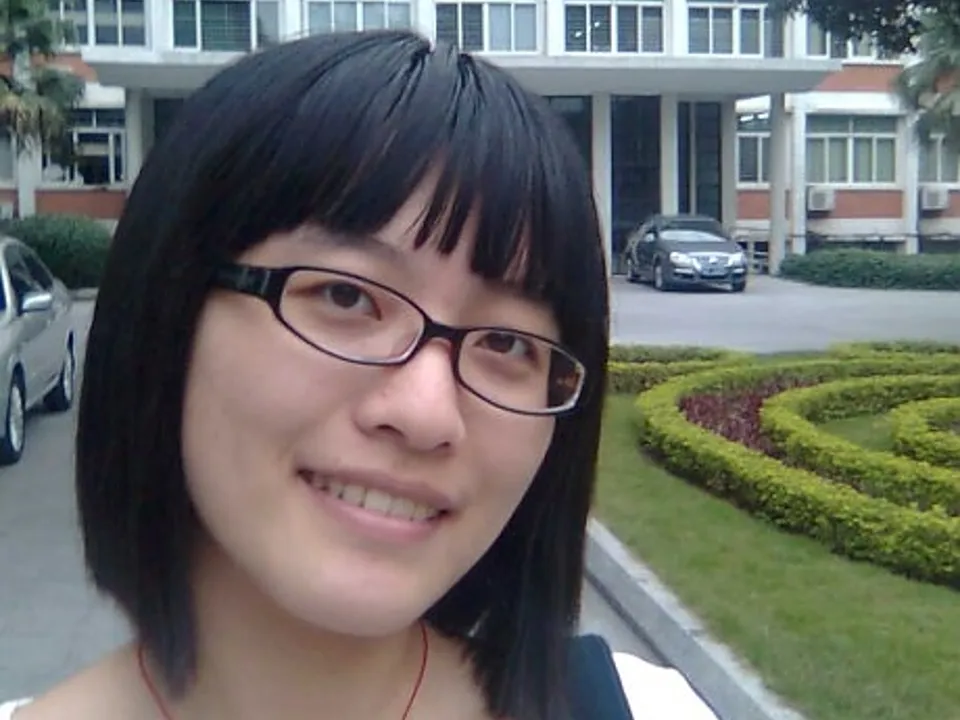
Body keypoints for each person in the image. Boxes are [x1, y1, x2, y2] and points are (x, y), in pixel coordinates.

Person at [2, 30, 718, 720]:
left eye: (507, 342)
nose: (427, 414)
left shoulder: (649, 710)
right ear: (167, 314)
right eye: (346, 296)